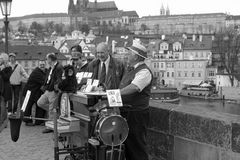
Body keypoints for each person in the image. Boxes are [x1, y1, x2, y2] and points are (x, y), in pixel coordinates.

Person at [119, 41, 153, 160]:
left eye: (129, 53)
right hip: (127, 112)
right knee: (128, 146)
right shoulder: (131, 70)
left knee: (137, 145)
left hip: (136, 114)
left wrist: (116, 93)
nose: (127, 55)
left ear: (137, 56)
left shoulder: (144, 72)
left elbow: (134, 87)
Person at [37, 53, 63, 133]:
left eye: (47, 59)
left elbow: (59, 79)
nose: (46, 60)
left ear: (50, 59)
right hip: (47, 90)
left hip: (53, 91)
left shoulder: (58, 67)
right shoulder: (50, 68)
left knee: (52, 109)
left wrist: (56, 88)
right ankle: (56, 114)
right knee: (40, 103)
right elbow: (48, 78)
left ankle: (51, 127)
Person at [23, 60, 47, 126]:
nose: (42, 66)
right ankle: (27, 121)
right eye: (41, 65)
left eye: (43, 64)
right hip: (29, 91)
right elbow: (45, 81)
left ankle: (38, 121)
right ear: (38, 65)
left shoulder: (43, 71)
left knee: (39, 106)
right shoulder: (37, 72)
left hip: (36, 91)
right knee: (27, 107)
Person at [0, 53, 12, 128]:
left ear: (4, 59)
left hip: (5, 89)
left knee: (3, 106)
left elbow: (6, 78)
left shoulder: (9, 68)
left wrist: (1, 70)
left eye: (1, 58)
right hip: (0, 88)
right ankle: (4, 122)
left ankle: (3, 122)